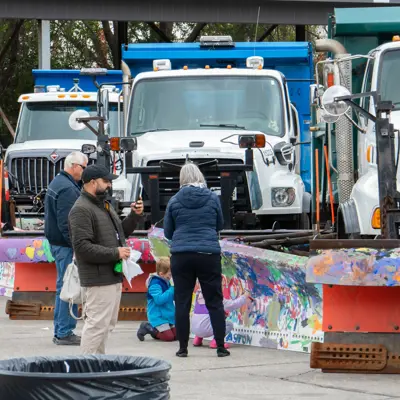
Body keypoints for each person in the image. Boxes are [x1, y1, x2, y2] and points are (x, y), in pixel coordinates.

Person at [68, 164, 144, 355]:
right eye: (106, 181)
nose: (110, 185)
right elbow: (83, 248)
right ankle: (85, 371)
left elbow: (120, 234)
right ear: (93, 183)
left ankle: (96, 370)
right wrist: (115, 253)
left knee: (104, 327)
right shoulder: (81, 210)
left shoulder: (103, 206)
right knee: (96, 328)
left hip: (110, 276)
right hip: (98, 279)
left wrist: (134, 216)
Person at [164, 162, 229, 358]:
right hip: (208, 254)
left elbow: (168, 232)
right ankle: (220, 347)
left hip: (181, 255)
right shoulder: (212, 198)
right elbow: (220, 224)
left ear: (182, 179)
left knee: (182, 301)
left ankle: (183, 348)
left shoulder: (174, 200)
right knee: (214, 301)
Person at [44, 151, 88, 345]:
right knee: (69, 288)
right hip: (65, 247)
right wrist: (77, 246)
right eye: (83, 167)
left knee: (64, 286)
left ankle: (61, 330)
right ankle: (64, 332)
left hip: (58, 244)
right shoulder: (68, 189)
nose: (84, 172)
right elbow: (67, 223)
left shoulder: (59, 183)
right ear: (74, 166)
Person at [137, 257, 176, 342]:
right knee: (169, 337)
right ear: (161, 274)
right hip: (158, 316)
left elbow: (170, 296)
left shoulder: (166, 280)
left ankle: (161, 331)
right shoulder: (155, 284)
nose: (172, 276)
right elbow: (159, 300)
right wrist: (172, 288)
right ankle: (148, 327)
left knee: (177, 336)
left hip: (168, 314)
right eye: (170, 274)